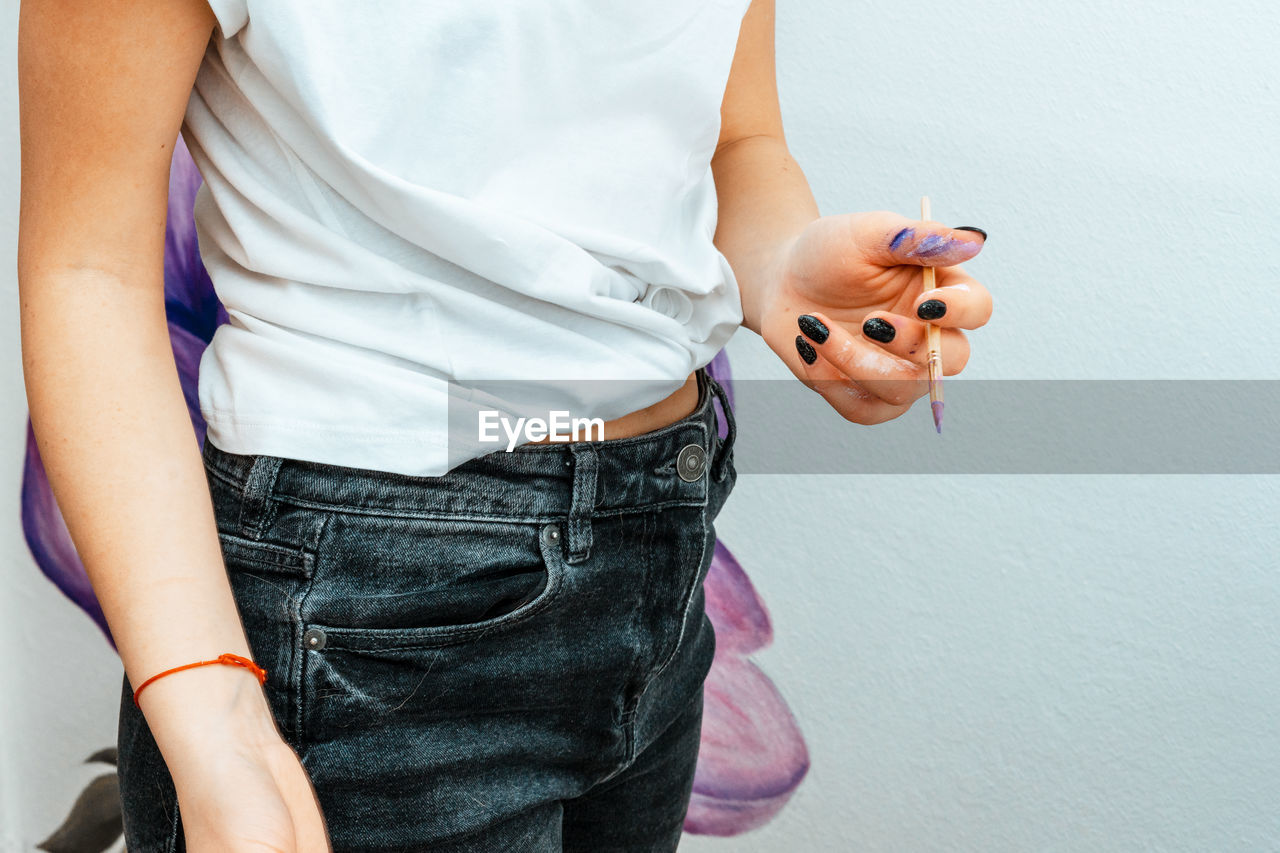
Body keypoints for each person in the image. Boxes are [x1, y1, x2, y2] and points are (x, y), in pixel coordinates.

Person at [16, 0, 993, 850]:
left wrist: (791, 284)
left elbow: (738, 142)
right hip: (364, 603)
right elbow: (85, 273)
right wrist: (209, 708)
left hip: (658, 543)